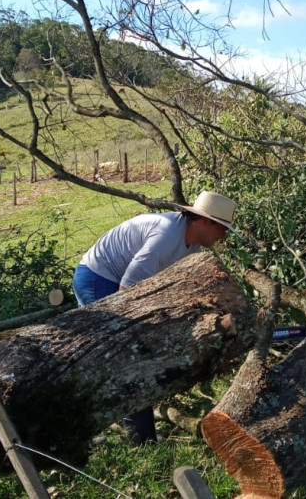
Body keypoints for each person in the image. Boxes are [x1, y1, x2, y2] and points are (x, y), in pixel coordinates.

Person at [72, 190, 237, 444]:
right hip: (98, 277)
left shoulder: (192, 247)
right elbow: (128, 291)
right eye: (222, 228)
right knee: (124, 356)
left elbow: (180, 289)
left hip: (121, 283)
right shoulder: (166, 234)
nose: (223, 235)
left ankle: (134, 433)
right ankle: (139, 439)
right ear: (205, 221)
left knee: (129, 355)